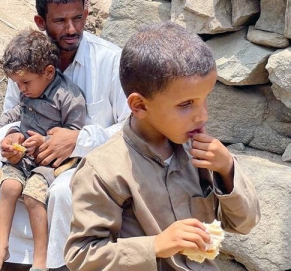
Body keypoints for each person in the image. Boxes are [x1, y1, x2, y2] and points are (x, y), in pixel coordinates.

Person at [0, 0, 130, 269]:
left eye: (78, 18)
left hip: (83, 161)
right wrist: (9, 137)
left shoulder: (110, 60)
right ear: (40, 22)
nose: (71, 29)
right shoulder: (25, 58)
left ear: (86, 14)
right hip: (29, 153)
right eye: (60, 21)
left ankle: (52, 261)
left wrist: (77, 141)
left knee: (63, 190)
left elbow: (130, 127)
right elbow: (14, 112)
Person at [64, 21, 261, 270]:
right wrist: (155, 246)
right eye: (186, 104)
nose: (202, 116)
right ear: (140, 105)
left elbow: (244, 224)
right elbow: (82, 256)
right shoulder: (103, 170)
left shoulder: (200, 152)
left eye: (205, 99)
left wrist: (227, 169)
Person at [0, 29, 86, 271]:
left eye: (25, 82)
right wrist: (4, 130)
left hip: (51, 163)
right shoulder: (29, 91)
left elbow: (74, 132)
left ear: (48, 72)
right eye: (17, 83)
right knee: (9, 186)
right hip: (24, 158)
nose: (21, 89)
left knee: (32, 196)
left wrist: (44, 140)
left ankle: (41, 260)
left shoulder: (68, 96)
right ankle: (1, 248)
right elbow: (17, 112)